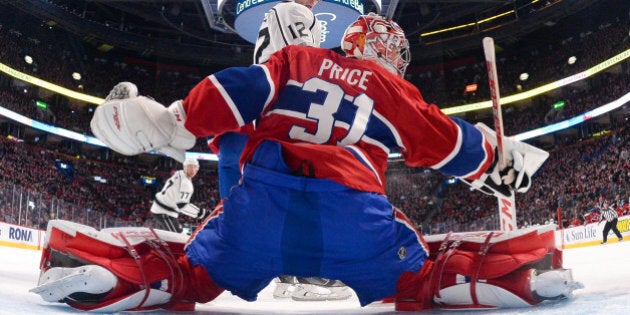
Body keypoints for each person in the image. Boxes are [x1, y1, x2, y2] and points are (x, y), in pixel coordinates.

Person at [31, 14, 577, 312]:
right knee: (421, 271)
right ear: (386, 53)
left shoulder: (296, 60)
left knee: (192, 272)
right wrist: (494, 163)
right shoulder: (390, 88)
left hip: (258, 211)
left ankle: (106, 273)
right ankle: (518, 274)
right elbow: (446, 142)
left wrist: (176, 119)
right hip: (355, 218)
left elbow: (239, 88)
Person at [150, 157, 207, 233]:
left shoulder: (179, 173)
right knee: (176, 236)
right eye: (190, 166)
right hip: (164, 212)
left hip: (163, 208)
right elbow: (183, 207)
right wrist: (203, 214)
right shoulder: (185, 184)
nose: (192, 169)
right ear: (185, 167)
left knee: (177, 232)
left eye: (194, 167)